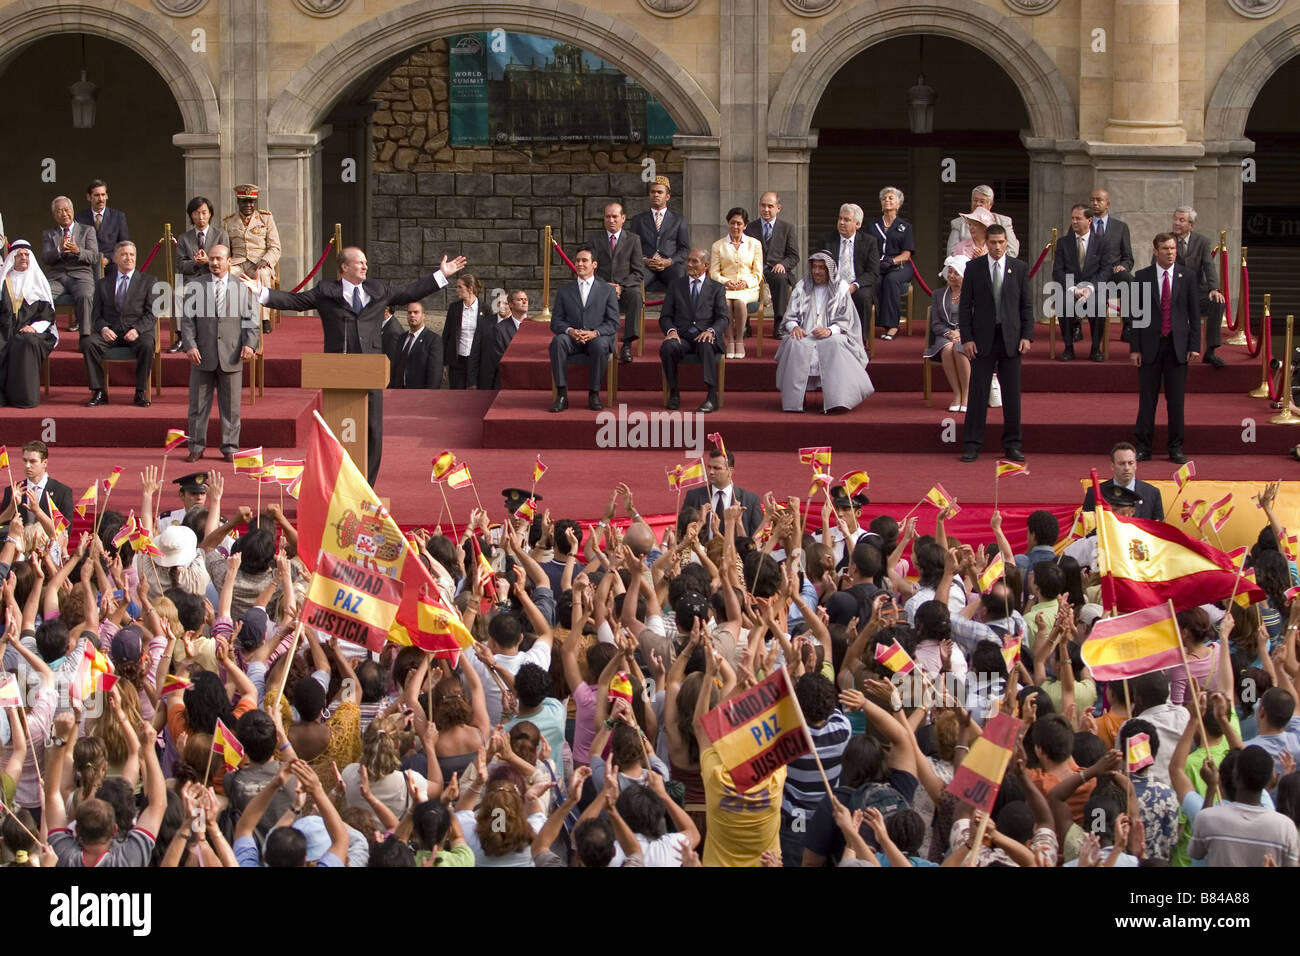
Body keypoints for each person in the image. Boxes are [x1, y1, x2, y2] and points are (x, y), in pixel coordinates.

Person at [244, 246, 466, 486]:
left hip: (370, 373)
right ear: (344, 267)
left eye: (366, 262)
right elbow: (295, 301)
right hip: (338, 373)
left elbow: (409, 291)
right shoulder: (326, 291)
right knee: (339, 432)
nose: (365, 266)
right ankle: (336, 485)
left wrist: (441, 275)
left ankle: (366, 486)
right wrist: (262, 293)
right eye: (359, 262)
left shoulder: (377, 290)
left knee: (373, 432)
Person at [1122, 233, 1199, 464]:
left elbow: (1194, 314)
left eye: (1173, 248)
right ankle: (1143, 447)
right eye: (1165, 248)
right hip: (1149, 347)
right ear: (1156, 251)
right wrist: (1134, 348)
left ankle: (1175, 447)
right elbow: (1135, 315)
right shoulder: (1142, 276)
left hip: (1177, 347)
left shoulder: (1187, 276)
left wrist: (1194, 346)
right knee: (1147, 400)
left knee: (1176, 402)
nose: (1170, 252)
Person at [958, 224, 1033, 463]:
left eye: (1001, 242)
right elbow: (965, 307)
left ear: (1007, 243)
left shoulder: (1019, 268)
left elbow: (1027, 306)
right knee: (978, 393)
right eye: (993, 242)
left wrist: (1027, 336)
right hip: (982, 340)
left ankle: (1013, 444)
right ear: (986, 243)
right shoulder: (974, 268)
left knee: (1012, 395)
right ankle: (972, 444)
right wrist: (967, 338)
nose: (998, 247)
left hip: (1011, 339)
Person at [179, 244, 259, 463]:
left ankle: (230, 447)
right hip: (201, 354)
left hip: (232, 355)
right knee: (197, 405)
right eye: (212, 259)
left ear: (229, 261)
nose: (214, 263)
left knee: (232, 407)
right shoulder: (196, 285)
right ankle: (195, 446)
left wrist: (250, 344)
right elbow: (187, 321)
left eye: (219, 259)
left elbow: (251, 321)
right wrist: (190, 345)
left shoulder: (242, 287)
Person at [774, 250, 873, 414]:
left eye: (821, 268)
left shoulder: (841, 289)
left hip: (833, 335)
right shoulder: (801, 287)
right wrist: (795, 327)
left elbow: (847, 321)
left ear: (830, 269)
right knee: (793, 342)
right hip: (805, 334)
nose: (817, 271)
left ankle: (837, 401)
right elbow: (790, 316)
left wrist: (830, 330)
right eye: (814, 267)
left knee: (835, 343)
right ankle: (795, 401)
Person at [1188, 745, 1300, 866]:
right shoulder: (1286, 827)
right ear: (1270, 780)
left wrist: (1211, 787)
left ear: (1235, 775)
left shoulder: (1207, 818)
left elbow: (1196, 853)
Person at [82, 241, 158, 408]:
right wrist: (103, 328)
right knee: (88, 343)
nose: (128, 258)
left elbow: (152, 313)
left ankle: (140, 392)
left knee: (147, 344)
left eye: (131, 255)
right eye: (124, 254)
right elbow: (95, 314)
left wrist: (137, 330)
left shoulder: (149, 281)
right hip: (111, 332)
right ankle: (99, 391)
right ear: (115, 258)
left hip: (136, 332)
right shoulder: (102, 283)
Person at [548, 244, 619, 413]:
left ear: (594, 264)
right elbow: (556, 322)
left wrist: (594, 333)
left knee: (601, 345)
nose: (580, 264)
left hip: (596, 337)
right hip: (573, 338)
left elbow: (613, 322)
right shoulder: (565, 291)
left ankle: (594, 394)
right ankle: (562, 394)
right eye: (578, 260)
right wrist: (571, 331)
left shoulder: (607, 291)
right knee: (558, 342)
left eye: (584, 260)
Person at [659, 248, 726, 413]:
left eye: (694, 261)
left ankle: (712, 396)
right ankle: (674, 392)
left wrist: (711, 331)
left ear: (706, 265)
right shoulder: (676, 285)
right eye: (688, 260)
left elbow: (723, 318)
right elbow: (665, 317)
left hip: (705, 336)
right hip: (682, 337)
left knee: (706, 343)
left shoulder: (716, 288)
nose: (689, 264)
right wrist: (672, 331)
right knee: (668, 347)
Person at [0, 240, 58, 409]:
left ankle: (24, 398)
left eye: (26, 255)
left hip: (35, 331)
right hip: (5, 328)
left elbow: (48, 314)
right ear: (12, 258)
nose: (24, 258)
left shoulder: (38, 281)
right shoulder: (4, 280)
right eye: (20, 255)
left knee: (25, 342)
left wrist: (34, 328)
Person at [1167, 205, 1226, 367]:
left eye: (1181, 220)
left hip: (1197, 292)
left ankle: (1210, 350)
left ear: (1191, 225)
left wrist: (1214, 289)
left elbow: (1209, 266)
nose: (1176, 223)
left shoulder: (1202, 242)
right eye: (1175, 219)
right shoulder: (1166, 239)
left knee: (1218, 302)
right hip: (1173, 294)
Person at [587, 202, 645, 364]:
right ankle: (605, 344)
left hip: (625, 288)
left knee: (635, 296)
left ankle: (627, 344)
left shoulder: (633, 240)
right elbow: (589, 269)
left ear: (623, 218)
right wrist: (606, 286)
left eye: (615, 216)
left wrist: (620, 286)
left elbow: (638, 272)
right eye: (607, 217)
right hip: (600, 287)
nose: (611, 220)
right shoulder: (594, 239)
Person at [173, 196, 230, 352]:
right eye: (196, 213)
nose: (201, 217)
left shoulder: (220, 235)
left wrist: (207, 261)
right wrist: (194, 263)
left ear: (210, 214)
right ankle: (181, 338)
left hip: (214, 279)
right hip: (192, 279)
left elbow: (225, 263)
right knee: (177, 293)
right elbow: (180, 265)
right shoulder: (184, 238)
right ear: (191, 215)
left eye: (204, 213)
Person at [1052, 203, 1106, 361]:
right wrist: (1073, 289)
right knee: (1063, 303)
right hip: (1070, 288)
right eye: (1072, 218)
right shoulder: (1063, 243)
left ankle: (1096, 348)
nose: (1074, 222)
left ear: (1089, 220)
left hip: (1093, 288)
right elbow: (1058, 271)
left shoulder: (1102, 243)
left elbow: (1105, 270)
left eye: (1078, 218)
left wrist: (1089, 288)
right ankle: (1069, 347)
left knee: (1098, 305)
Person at [223, 184, 281, 333]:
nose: (248, 205)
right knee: (227, 275)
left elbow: (275, 247)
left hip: (259, 262)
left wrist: (266, 260)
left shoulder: (265, 218)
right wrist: (226, 262)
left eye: (251, 201)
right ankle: (231, 317)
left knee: (261, 274)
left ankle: (264, 319)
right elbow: (225, 249)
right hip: (238, 262)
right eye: (244, 201)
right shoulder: (229, 222)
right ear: (238, 202)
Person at [818, 203, 879, 342]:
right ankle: (824, 339)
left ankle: (860, 342)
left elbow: (873, 272)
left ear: (857, 224)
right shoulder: (826, 239)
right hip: (832, 284)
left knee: (863, 297)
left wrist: (854, 285)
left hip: (857, 285)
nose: (841, 223)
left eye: (847, 220)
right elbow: (818, 265)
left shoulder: (869, 242)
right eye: (840, 219)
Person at [709, 208, 764, 359]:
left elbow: (758, 272)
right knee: (725, 303)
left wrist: (745, 283)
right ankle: (730, 341)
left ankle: (740, 340)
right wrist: (726, 282)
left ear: (745, 225)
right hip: (725, 287)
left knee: (739, 302)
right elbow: (714, 273)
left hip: (748, 288)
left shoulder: (755, 244)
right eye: (732, 223)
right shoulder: (718, 246)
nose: (735, 227)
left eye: (739, 223)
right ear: (728, 223)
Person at [40, 196, 98, 335]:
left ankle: (85, 337)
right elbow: (46, 258)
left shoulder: (87, 230)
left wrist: (78, 251)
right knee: (42, 295)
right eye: (59, 211)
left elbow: (94, 257)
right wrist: (59, 249)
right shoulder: (49, 234)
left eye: (66, 209)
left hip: (81, 276)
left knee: (85, 296)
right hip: (57, 277)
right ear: (54, 215)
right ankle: (43, 336)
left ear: (72, 210)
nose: (64, 214)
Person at [745, 191, 801, 332]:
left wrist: (783, 264)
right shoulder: (750, 227)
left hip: (776, 271)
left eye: (770, 206)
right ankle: (744, 324)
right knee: (741, 278)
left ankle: (779, 322)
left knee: (781, 278)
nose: (766, 209)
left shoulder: (787, 228)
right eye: (763, 206)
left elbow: (794, 256)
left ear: (778, 208)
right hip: (754, 271)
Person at [679, 448, 763, 539]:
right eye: (709, 467)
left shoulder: (751, 500)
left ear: (730, 471)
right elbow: (681, 533)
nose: (711, 472)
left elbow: (756, 541)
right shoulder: (693, 496)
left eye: (716, 468)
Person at [924, 254, 970, 413]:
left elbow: (978, 320)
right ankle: (956, 394)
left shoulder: (973, 294)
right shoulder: (938, 294)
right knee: (948, 349)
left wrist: (962, 333)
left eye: (956, 273)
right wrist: (949, 333)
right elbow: (935, 323)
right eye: (950, 271)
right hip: (945, 336)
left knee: (958, 348)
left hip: (968, 335)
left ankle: (967, 394)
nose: (951, 276)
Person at [627, 176, 689, 293]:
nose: (656, 195)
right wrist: (644, 260)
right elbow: (632, 247)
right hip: (646, 266)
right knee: (635, 285)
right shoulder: (638, 220)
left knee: (680, 277)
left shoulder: (678, 220)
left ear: (667, 196)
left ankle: (677, 311)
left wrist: (669, 261)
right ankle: (637, 311)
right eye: (653, 192)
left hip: (670, 266)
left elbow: (684, 250)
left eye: (660, 192)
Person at [869, 187, 915, 340]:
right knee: (876, 281)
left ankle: (893, 326)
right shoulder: (872, 225)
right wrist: (877, 262)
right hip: (878, 265)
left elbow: (907, 254)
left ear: (898, 204)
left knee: (891, 279)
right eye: (884, 198)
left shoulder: (905, 227)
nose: (887, 200)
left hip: (900, 265)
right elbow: (867, 249)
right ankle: (875, 323)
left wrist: (892, 261)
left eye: (891, 198)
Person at [1081, 441, 1165, 520]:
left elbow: (1159, 529)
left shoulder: (1152, 493)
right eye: (1121, 463)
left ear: (1136, 465)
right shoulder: (1094, 493)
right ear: (1112, 466)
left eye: (1130, 463)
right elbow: (1087, 526)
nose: (1126, 468)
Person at [0, 440, 74, 522]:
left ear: (44, 463)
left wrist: (37, 511)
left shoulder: (62, 492)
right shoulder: (12, 491)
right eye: (25, 460)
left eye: (32, 461)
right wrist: (12, 506)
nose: (27, 465)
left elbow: (65, 530)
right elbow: (2, 525)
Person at [442, 274, 491, 390]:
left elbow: (490, 336)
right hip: (458, 361)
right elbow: (447, 334)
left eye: (460, 287)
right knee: (457, 396)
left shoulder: (485, 308)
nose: (457, 290)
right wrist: (443, 362)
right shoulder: (454, 308)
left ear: (470, 288)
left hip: (477, 361)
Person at [75, 179, 130, 281]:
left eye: (103, 195)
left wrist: (108, 259)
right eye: (96, 195)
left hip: (112, 266)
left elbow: (124, 245)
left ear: (107, 196)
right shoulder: (79, 218)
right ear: (88, 197)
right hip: (87, 267)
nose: (101, 199)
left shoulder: (118, 216)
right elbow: (78, 244)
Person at [946, 184, 1020, 259]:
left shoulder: (1003, 221)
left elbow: (1012, 251)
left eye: (982, 201)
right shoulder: (958, 223)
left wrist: (989, 258)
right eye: (975, 200)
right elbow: (951, 254)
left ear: (990, 204)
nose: (978, 204)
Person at [388, 300, 442, 389]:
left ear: (424, 315)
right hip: (398, 393)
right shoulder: (401, 338)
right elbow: (396, 366)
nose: (412, 315)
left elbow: (435, 373)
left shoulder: (433, 340)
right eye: (409, 313)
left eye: (416, 312)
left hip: (419, 395)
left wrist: (430, 396)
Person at [486, 288, 528, 389]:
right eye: (520, 299)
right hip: (508, 382)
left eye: (526, 299)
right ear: (511, 304)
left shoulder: (535, 326)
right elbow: (498, 358)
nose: (524, 302)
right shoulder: (500, 329)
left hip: (530, 380)